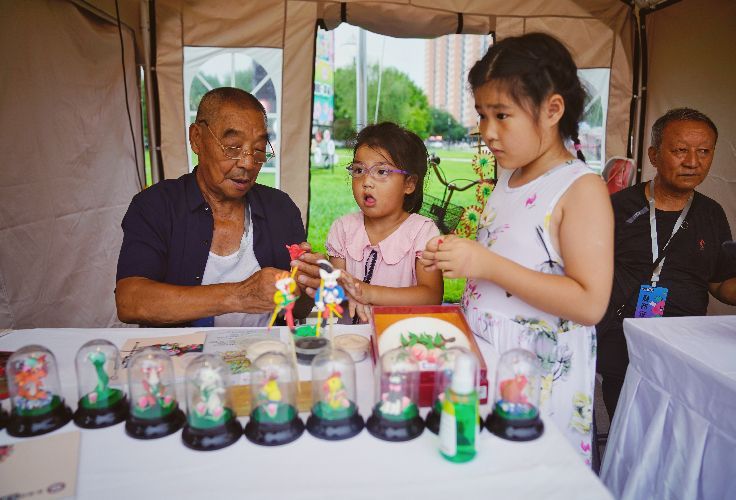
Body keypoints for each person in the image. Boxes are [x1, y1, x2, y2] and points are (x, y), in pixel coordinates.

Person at [421, 33, 614, 465]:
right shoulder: (509, 177)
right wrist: (462, 254)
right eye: (482, 115)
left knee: (529, 471)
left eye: (502, 115)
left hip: (536, 374)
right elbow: (514, 250)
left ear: (552, 109)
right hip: (487, 354)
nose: (487, 132)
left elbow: (589, 302)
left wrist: (486, 263)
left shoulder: (580, 189)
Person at [115, 87, 323, 327]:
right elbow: (130, 301)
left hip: (266, 356)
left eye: (258, 150)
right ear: (197, 139)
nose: (247, 163)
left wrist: (306, 284)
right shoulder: (156, 206)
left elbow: (297, 311)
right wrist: (240, 295)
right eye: (233, 147)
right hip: (185, 360)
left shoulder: (280, 208)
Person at [596, 108, 736, 419]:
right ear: (654, 155)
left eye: (704, 151)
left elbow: (722, 283)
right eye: (680, 150)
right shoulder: (615, 208)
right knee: (631, 428)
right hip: (624, 338)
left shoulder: (712, 214)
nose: (693, 161)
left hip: (687, 345)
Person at [325, 122, 444, 322]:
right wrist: (322, 275)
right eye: (358, 170)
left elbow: (431, 296)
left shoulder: (422, 232)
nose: (367, 182)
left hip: (399, 341)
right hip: (351, 341)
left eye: (381, 172)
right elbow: (335, 292)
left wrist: (367, 292)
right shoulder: (343, 229)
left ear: (409, 184)